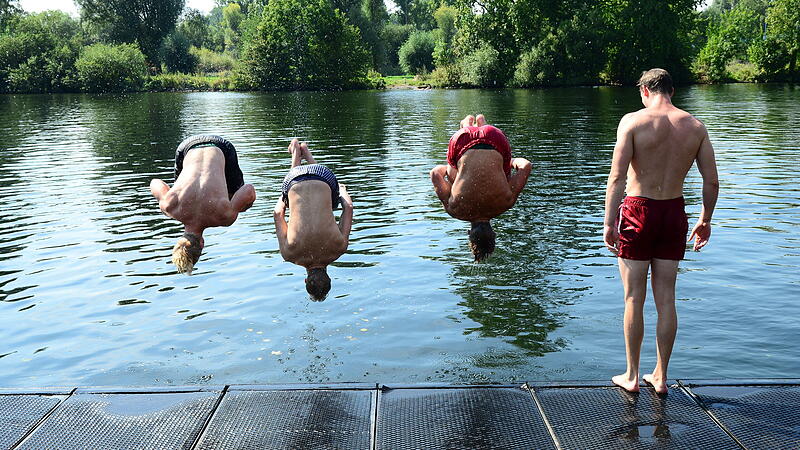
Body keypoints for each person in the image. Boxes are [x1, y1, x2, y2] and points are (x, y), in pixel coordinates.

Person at [603, 69, 719, 394]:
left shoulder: (633, 122)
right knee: (666, 299)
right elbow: (711, 181)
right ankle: (661, 376)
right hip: (673, 212)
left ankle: (631, 375)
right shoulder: (695, 127)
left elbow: (617, 178)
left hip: (638, 211)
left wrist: (608, 222)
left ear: (644, 90)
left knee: (632, 297)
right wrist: (705, 219)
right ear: (672, 91)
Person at [430, 114, 532, 261]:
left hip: (495, 137)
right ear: (469, 233)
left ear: (493, 232)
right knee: (455, 178)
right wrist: (448, 168)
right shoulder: (454, 210)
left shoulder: (506, 203)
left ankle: (481, 124)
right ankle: (467, 127)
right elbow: (434, 174)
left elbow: (526, 166)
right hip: (461, 141)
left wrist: (510, 161)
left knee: (501, 174)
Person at [150, 135, 256, 275]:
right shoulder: (170, 207)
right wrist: (164, 204)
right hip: (187, 147)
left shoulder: (223, 217)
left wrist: (239, 207)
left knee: (236, 200)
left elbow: (249, 190)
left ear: (202, 244)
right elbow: (154, 183)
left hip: (222, 148)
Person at [274, 139, 353, 301]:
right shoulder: (289, 255)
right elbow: (277, 213)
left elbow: (349, 207)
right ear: (305, 280)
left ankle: (304, 152)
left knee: (329, 202)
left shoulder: (340, 248)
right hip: (292, 180)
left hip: (324, 176)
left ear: (330, 278)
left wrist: (342, 191)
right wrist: (285, 194)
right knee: (294, 198)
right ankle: (297, 152)